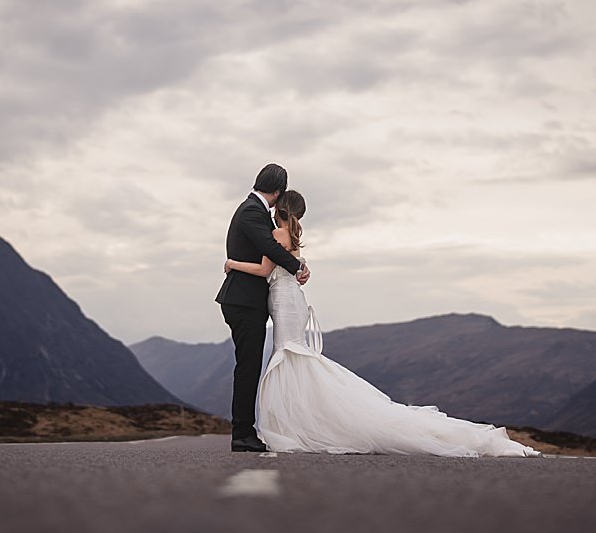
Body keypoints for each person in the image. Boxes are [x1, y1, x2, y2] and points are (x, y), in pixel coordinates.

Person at [224, 190, 542, 458]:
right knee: (295, 358)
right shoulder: (291, 234)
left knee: (290, 355)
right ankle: (302, 423)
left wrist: (232, 263)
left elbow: (266, 270)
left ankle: (297, 425)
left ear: (279, 208)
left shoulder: (277, 233)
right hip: (290, 301)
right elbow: (290, 268)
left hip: (284, 301)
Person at [215, 163, 311, 453]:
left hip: (247, 301)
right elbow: (269, 247)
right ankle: (242, 434)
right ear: (278, 191)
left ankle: (245, 431)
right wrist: (298, 268)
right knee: (248, 367)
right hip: (243, 302)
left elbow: (270, 249)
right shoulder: (251, 211)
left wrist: (297, 267)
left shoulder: (251, 210)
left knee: (250, 365)